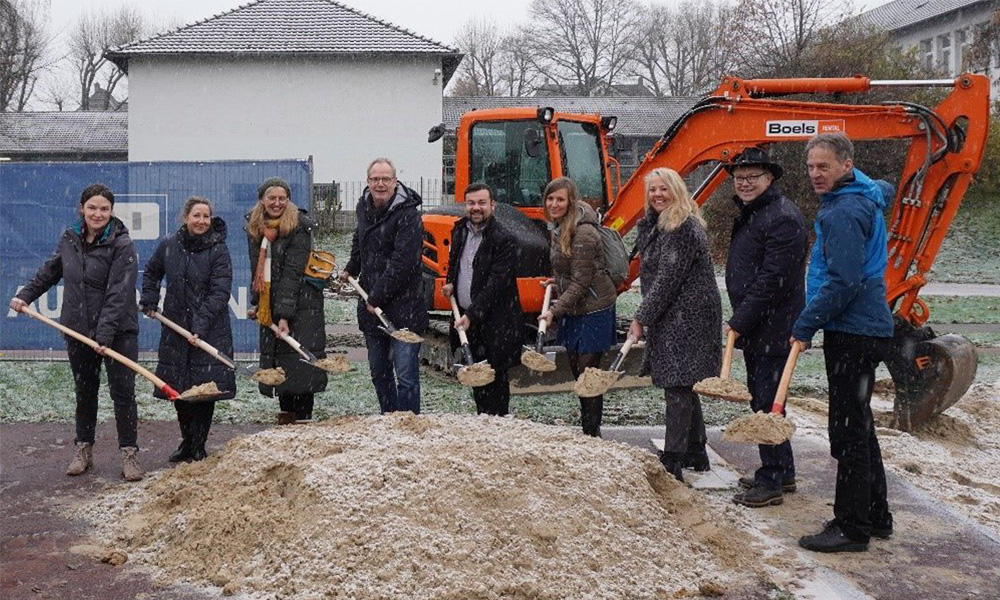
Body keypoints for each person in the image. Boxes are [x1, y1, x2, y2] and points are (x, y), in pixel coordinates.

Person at [792, 132, 896, 553]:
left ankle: (852, 527)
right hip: (867, 326)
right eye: (812, 167)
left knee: (848, 432)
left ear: (846, 165)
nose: (816, 174)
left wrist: (806, 322)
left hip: (854, 330)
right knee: (861, 427)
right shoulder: (862, 197)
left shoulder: (843, 211)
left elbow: (843, 280)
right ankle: (876, 515)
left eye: (824, 166)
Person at [9, 184, 142, 481]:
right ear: (82, 209)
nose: (98, 213)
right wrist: (26, 295)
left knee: (123, 394)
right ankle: (83, 450)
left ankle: (130, 454)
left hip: (118, 333)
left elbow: (118, 293)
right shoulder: (70, 239)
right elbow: (51, 271)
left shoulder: (122, 245)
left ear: (111, 212)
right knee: (85, 393)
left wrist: (104, 335)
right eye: (92, 208)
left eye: (104, 209)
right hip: (78, 330)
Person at [723, 148, 809, 507]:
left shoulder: (782, 218)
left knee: (767, 406)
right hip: (762, 325)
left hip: (774, 327)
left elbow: (772, 279)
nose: (744, 183)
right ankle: (782, 472)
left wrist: (739, 322)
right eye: (739, 178)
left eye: (752, 177)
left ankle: (771, 480)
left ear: (769, 179)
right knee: (767, 401)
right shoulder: (757, 212)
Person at [627, 168, 721, 482]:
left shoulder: (682, 226)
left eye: (663, 189)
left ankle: (674, 460)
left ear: (676, 191)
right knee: (683, 382)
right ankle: (697, 451)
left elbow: (668, 278)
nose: (657, 195)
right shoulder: (657, 225)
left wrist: (641, 317)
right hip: (675, 313)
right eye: (652, 190)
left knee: (677, 385)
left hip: (688, 315)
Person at [140, 196, 235, 462]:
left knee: (205, 390)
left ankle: (199, 444)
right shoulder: (170, 245)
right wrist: (149, 299)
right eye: (196, 216)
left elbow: (220, 292)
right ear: (186, 218)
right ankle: (187, 440)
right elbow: (151, 272)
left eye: (206, 216)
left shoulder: (218, 250)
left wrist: (199, 326)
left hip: (209, 330)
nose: (201, 221)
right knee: (179, 388)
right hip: (175, 330)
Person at [339, 158, 428, 414]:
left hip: (405, 308)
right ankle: (388, 420)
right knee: (379, 372)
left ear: (395, 181)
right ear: (368, 182)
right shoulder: (363, 208)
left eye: (385, 179)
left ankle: (408, 423)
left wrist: (376, 296)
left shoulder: (408, 215)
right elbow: (361, 243)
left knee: (406, 374)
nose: (380, 183)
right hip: (373, 309)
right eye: (375, 179)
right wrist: (350, 268)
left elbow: (404, 262)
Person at [538, 177, 617, 437]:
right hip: (575, 308)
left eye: (560, 199)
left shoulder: (583, 232)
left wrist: (553, 311)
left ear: (571, 201)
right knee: (576, 371)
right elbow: (571, 270)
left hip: (595, 309)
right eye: (550, 198)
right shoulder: (560, 227)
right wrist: (557, 280)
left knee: (588, 376)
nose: (554, 203)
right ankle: (588, 429)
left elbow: (582, 282)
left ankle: (592, 434)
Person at [246, 177, 327, 424]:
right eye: (272, 198)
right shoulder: (257, 227)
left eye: (282, 198)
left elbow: (292, 274)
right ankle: (287, 423)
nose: (277, 203)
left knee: (300, 370)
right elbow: (258, 272)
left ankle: (302, 423)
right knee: (281, 370)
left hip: (302, 308)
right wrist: (257, 303)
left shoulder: (298, 227)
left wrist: (283, 315)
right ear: (262, 200)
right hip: (274, 305)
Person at [441, 182, 523, 416]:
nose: (476, 208)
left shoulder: (504, 239)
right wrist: (450, 282)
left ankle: (498, 425)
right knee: (476, 377)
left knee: (496, 379)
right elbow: (456, 263)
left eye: (481, 203)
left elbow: (495, 285)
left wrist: (472, 314)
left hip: (497, 322)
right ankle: (482, 422)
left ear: (492, 206)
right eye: (471, 203)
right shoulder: (459, 230)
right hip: (470, 318)